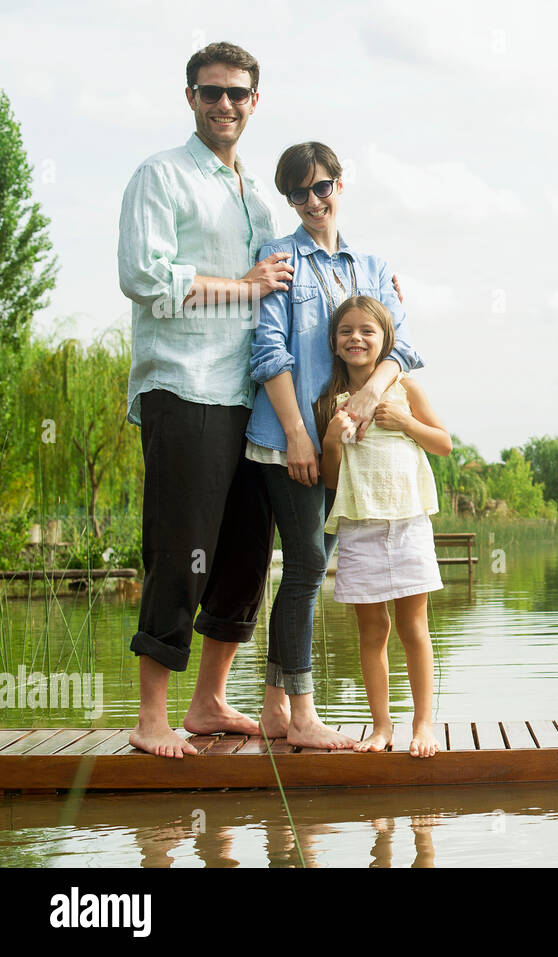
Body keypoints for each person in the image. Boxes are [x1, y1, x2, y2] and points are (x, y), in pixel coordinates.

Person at [119, 41, 290, 758]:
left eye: (238, 93)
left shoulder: (256, 194)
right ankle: (151, 716)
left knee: (250, 549)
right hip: (184, 384)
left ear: (255, 101)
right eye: (211, 91)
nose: (225, 104)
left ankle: (209, 701)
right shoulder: (160, 176)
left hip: (247, 394)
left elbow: (286, 278)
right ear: (190, 97)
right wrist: (245, 286)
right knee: (182, 547)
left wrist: (370, 290)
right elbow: (145, 278)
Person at [245, 142, 423, 750]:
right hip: (287, 440)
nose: (313, 202)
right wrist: (298, 434)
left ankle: (273, 711)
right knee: (307, 566)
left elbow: (403, 346)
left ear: (340, 186)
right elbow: (268, 353)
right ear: (289, 200)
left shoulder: (370, 267)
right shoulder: (278, 258)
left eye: (322, 188)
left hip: (347, 447)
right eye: (299, 193)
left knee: (304, 569)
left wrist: (369, 398)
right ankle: (301, 716)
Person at [319, 296, 450, 758]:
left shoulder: (406, 389)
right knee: (372, 631)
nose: (356, 338)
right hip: (360, 528)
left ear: (385, 340)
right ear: (335, 344)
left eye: (367, 331)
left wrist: (407, 422)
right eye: (346, 331)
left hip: (409, 522)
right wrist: (332, 442)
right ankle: (380, 726)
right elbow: (331, 480)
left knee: (414, 627)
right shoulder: (332, 401)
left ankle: (423, 724)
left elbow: (444, 444)